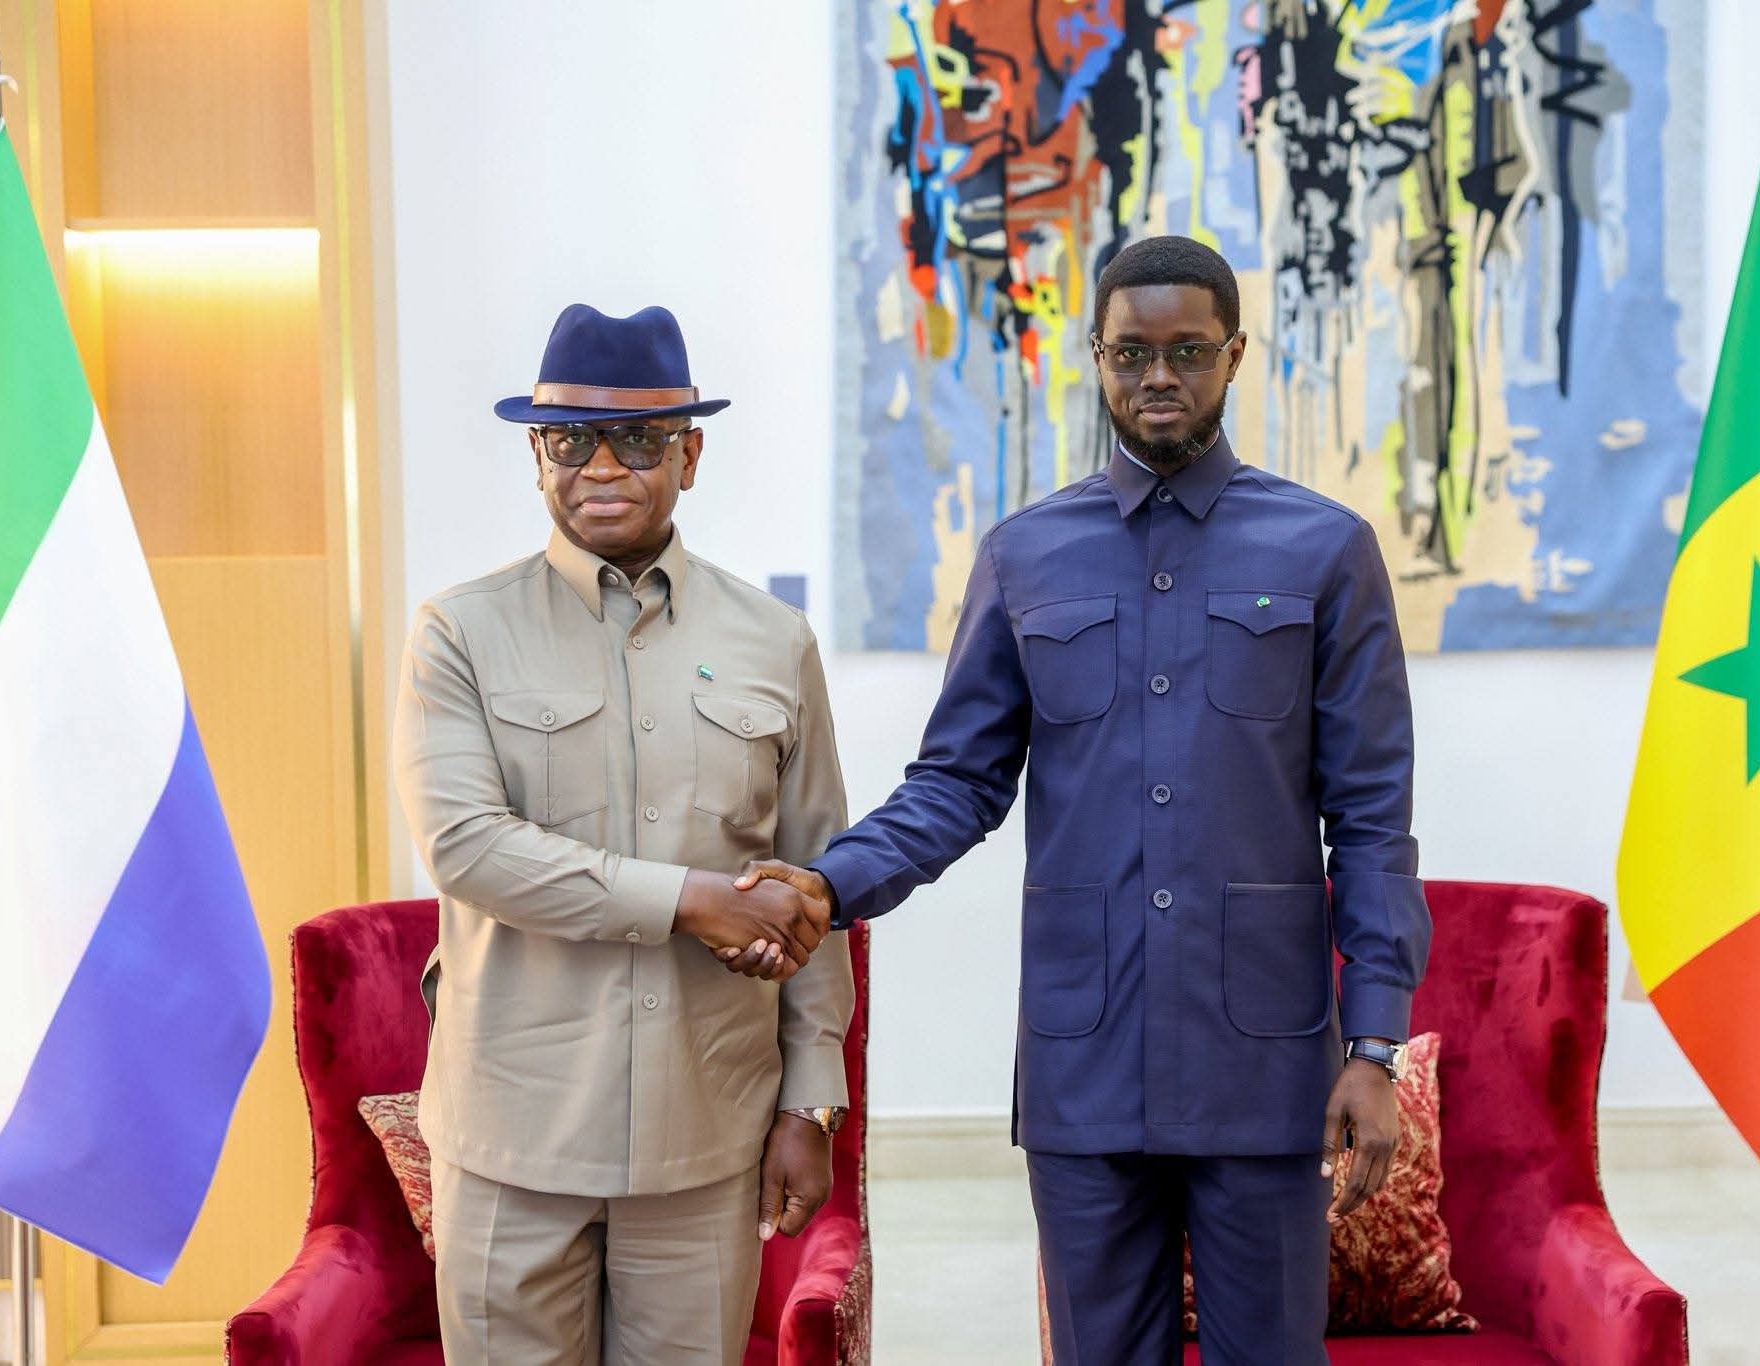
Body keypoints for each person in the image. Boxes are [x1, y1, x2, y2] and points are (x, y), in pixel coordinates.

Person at [737, 237, 1430, 1365]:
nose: (1158, 376)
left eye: (1187, 351)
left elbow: (1370, 818)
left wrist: (1375, 1044)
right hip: (1085, 1058)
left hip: (1263, 1061)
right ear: (1095, 357)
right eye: (1130, 352)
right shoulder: (1024, 556)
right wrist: (827, 884)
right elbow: (956, 782)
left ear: (1233, 355)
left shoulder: (1325, 551)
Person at [393, 302, 854, 1365]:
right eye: (570, 439)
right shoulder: (459, 632)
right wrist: (692, 900)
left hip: (706, 1133)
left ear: (689, 456)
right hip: (513, 1138)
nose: (602, 465)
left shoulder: (774, 641)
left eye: (640, 439)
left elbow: (816, 884)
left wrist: (811, 1102)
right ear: (536, 457)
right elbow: (467, 846)